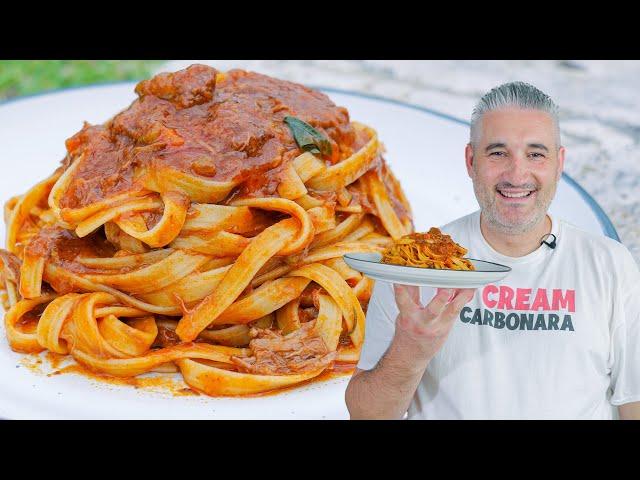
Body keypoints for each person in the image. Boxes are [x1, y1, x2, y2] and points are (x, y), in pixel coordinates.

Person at [345, 81, 640, 420]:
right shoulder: (413, 267)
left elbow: (633, 403)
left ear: (559, 163)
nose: (517, 174)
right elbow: (366, 415)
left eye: (535, 154)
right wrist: (410, 348)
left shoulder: (610, 265)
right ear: (471, 161)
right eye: (498, 153)